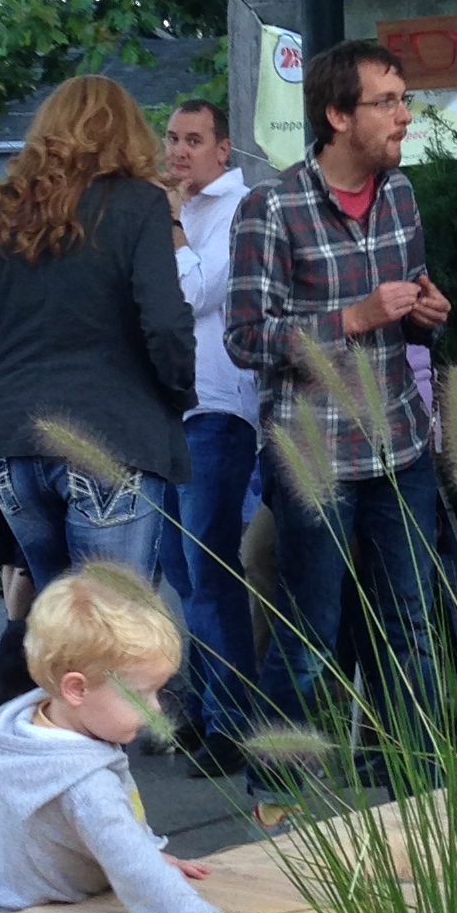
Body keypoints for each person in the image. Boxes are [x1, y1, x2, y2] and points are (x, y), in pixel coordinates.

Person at [224, 38, 453, 771]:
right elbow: (244, 337)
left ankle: (405, 780)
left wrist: (426, 311)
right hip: (316, 448)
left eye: (405, 98)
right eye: (386, 102)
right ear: (336, 115)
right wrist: (351, 320)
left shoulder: (404, 195)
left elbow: (410, 300)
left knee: (411, 624)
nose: (404, 115)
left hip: (400, 441)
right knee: (311, 627)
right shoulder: (273, 207)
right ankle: (276, 779)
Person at [0, 564, 288, 913]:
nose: (156, 709)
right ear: (76, 689)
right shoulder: (85, 785)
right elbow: (142, 882)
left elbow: (104, 831)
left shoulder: (39, 727)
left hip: (6, 898)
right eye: (142, 693)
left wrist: (146, 848)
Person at [0, 77, 195, 595]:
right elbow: (166, 323)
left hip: (14, 443)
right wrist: (173, 392)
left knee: (62, 631)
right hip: (114, 435)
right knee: (113, 634)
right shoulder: (140, 204)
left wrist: (13, 378)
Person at [157, 98, 259, 754]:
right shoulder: (173, 212)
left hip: (216, 411)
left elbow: (193, 295)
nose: (177, 152)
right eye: (170, 138)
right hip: (162, 413)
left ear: (224, 150)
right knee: (180, 572)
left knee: (209, 566)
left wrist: (168, 225)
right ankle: (204, 704)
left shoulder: (241, 211)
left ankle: (233, 724)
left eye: (193, 140)